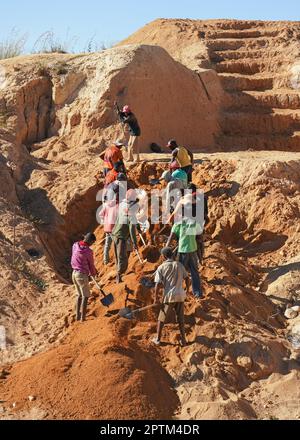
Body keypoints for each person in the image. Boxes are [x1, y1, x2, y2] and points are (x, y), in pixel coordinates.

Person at [152, 247, 189, 347]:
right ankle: (184, 340)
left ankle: (158, 339)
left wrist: (156, 298)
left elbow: (157, 285)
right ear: (172, 255)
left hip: (169, 296)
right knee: (181, 319)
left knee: (161, 319)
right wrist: (187, 290)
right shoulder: (179, 265)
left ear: (163, 256)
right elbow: (187, 278)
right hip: (180, 295)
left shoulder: (161, 267)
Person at [166, 215, 203, 299]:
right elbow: (200, 237)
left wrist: (165, 250)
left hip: (183, 251)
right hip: (193, 250)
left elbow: (170, 239)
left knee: (179, 273)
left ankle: (178, 293)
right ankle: (197, 293)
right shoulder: (194, 222)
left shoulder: (177, 224)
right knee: (194, 272)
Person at [111, 189, 139, 283]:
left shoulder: (122, 204)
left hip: (115, 232)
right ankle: (119, 275)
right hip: (121, 235)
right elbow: (131, 229)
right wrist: (135, 243)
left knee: (118, 255)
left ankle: (119, 272)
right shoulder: (132, 212)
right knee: (122, 256)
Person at [71, 232, 97, 322]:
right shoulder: (88, 251)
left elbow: (77, 258)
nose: (92, 244)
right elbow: (91, 264)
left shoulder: (75, 245)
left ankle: (78, 316)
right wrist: (93, 273)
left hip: (74, 273)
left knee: (79, 295)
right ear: (91, 241)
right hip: (81, 275)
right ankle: (83, 318)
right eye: (92, 243)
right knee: (85, 296)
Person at [98, 200, 119, 265]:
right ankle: (117, 261)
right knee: (117, 244)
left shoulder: (106, 205)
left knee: (107, 245)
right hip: (113, 228)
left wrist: (105, 220)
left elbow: (100, 214)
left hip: (107, 228)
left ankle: (105, 260)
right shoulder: (117, 206)